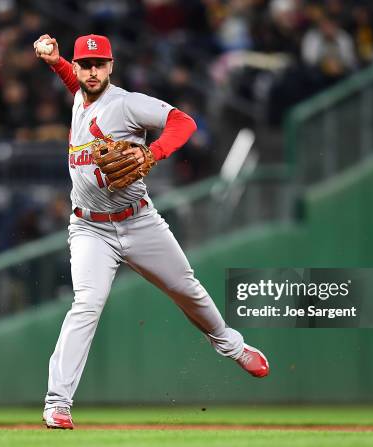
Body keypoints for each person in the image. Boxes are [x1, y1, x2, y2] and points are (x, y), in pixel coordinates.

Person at [34, 33, 270, 430]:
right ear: (77, 68)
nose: (92, 71)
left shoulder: (128, 104)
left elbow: (184, 121)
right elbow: (79, 88)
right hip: (90, 229)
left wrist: (151, 152)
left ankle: (231, 345)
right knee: (86, 304)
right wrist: (56, 62)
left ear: (111, 66)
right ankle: (57, 403)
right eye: (85, 64)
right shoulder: (80, 96)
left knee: (186, 288)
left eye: (100, 64)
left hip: (139, 221)